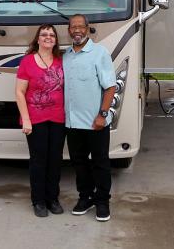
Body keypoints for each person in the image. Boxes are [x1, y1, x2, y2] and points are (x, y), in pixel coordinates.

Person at [63, 14, 116, 222]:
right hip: (72, 123)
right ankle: (85, 197)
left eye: (80, 26)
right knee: (79, 163)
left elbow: (110, 86)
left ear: (87, 29)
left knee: (100, 163)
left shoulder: (99, 53)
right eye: (72, 27)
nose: (76, 30)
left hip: (96, 122)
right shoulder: (65, 56)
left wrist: (102, 114)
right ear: (69, 31)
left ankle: (102, 201)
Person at [15, 24, 65, 217]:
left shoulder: (61, 60)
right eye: (44, 34)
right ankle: (38, 201)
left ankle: (53, 199)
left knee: (55, 160)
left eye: (52, 35)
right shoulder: (27, 61)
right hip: (35, 119)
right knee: (39, 161)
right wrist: (26, 120)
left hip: (59, 118)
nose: (48, 37)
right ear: (37, 39)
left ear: (55, 40)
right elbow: (19, 92)